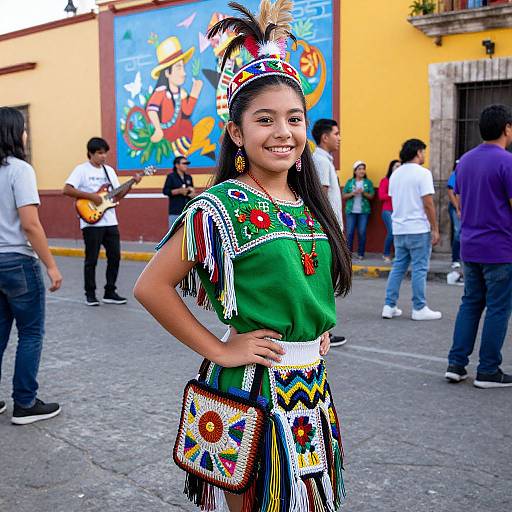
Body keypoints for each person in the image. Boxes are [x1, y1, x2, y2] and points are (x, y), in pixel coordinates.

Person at [134, 2, 352, 511]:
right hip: (251, 390)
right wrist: (221, 348)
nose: (284, 132)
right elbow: (150, 286)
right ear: (236, 132)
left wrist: (312, 328)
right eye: (265, 119)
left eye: (294, 119)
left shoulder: (311, 203)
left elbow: (306, 282)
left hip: (311, 391)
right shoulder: (219, 207)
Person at [0, 106, 63, 425]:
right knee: (30, 333)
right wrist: (51, 265)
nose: (26, 134)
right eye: (23, 128)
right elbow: (30, 224)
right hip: (17, 262)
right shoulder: (19, 170)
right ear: (14, 133)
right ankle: (24, 402)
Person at [445, 104, 512, 388]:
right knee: (498, 307)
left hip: (470, 246)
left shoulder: (466, 161)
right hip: (500, 247)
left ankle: (456, 364)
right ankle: (488, 370)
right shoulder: (507, 162)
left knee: (470, 304)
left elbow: (458, 197)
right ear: (506, 128)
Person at [63, 137, 141, 306]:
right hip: (91, 222)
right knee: (91, 259)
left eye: (105, 152)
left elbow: (117, 195)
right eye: (100, 153)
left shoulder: (109, 171)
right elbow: (67, 189)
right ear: (90, 154)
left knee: (115, 256)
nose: (103, 156)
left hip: (110, 221)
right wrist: (92, 197)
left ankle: (110, 291)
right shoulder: (81, 170)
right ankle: (90, 293)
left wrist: (131, 184)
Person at [381, 139, 442, 321]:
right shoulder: (423, 173)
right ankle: (419, 307)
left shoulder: (396, 175)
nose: (424, 155)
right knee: (419, 269)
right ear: (417, 152)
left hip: (399, 228)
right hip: (418, 229)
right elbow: (428, 204)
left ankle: (389, 305)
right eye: (423, 152)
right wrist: (435, 228)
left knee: (398, 267)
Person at [311, 118, 347, 347]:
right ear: (325, 137)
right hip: (328, 228)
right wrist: (332, 230)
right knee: (325, 281)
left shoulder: (324, 160)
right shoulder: (321, 162)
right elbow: (322, 197)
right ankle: (324, 330)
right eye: (336, 133)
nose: (339, 137)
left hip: (330, 227)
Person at [342, 161, 375, 260]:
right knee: (350, 233)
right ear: (355, 171)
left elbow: (372, 196)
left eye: (363, 169)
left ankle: (361, 254)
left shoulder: (368, 182)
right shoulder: (350, 182)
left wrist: (363, 192)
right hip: (351, 211)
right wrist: (353, 193)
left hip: (363, 212)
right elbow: (344, 195)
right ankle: (348, 254)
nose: (362, 171)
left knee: (362, 232)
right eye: (359, 169)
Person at [162, 156, 195, 228]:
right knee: (174, 234)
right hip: (175, 211)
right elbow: (165, 191)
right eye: (184, 163)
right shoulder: (171, 177)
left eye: (187, 164)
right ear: (177, 165)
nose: (186, 165)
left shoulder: (189, 177)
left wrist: (192, 193)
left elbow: (192, 192)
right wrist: (179, 191)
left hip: (187, 211)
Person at [378, 159, 400, 262]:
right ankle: (386, 254)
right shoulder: (385, 180)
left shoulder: (402, 181)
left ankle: (398, 255)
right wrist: (393, 194)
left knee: (398, 233)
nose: (398, 168)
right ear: (391, 168)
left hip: (399, 211)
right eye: (396, 166)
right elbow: (381, 196)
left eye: (400, 166)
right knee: (392, 232)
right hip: (387, 210)